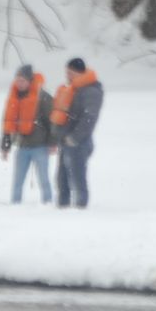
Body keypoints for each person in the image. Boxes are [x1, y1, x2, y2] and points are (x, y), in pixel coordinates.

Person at [51, 57, 103, 209]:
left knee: (77, 179)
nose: (67, 75)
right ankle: (63, 207)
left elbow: (89, 118)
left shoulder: (91, 91)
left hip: (79, 142)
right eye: (66, 72)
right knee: (62, 179)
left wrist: (74, 138)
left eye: (70, 72)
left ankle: (80, 210)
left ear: (78, 72)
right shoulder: (73, 89)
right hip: (65, 141)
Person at [0, 64, 53, 205]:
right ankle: (15, 205)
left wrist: (52, 143)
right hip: (22, 147)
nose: (19, 83)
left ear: (30, 80)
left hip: (40, 147)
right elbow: (8, 122)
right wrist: (6, 146)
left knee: (44, 179)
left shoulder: (43, 97)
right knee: (17, 180)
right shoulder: (14, 98)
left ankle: (48, 204)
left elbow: (53, 122)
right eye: (17, 80)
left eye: (22, 80)